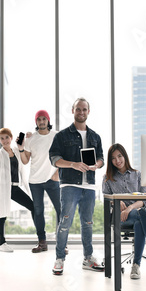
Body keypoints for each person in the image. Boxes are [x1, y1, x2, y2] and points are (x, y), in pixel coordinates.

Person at [49, 97, 105, 275]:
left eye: (84, 109)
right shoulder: (62, 136)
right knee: (65, 222)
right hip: (69, 185)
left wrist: (97, 164)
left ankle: (88, 258)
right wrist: (73, 164)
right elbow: (54, 159)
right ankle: (59, 259)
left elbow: (102, 158)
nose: (81, 112)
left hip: (89, 186)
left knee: (87, 223)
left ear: (89, 112)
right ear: (73, 111)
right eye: (78, 109)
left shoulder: (95, 137)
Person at [102, 143, 146, 279]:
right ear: (110, 161)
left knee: (142, 214)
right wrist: (115, 201)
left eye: (119, 156)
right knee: (142, 214)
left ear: (125, 156)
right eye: (113, 158)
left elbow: (144, 200)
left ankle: (136, 266)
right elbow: (106, 198)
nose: (118, 160)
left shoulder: (138, 175)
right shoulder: (107, 178)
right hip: (123, 217)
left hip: (138, 212)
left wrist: (129, 207)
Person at [18, 110, 61, 253]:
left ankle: (62, 242)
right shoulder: (31, 138)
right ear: (36, 122)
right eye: (39, 119)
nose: (41, 121)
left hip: (51, 179)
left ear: (48, 120)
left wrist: (57, 172)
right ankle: (42, 242)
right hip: (35, 181)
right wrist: (21, 149)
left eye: (44, 119)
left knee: (61, 209)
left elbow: (63, 155)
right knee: (38, 211)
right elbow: (25, 161)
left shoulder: (56, 136)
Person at [0, 128, 35, 252]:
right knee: (1, 213)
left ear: (11, 138)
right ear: (0, 140)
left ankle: (41, 236)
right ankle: (1, 243)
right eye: (2, 138)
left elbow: (26, 157)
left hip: (15, 187)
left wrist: (30, 137)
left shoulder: (16, 150)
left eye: (6, 138)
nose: (5, 140)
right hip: (4, 187)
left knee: (33, 206)